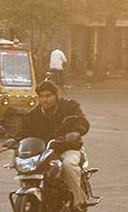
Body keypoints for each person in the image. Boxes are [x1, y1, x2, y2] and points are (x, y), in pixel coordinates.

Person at [22, 81, 91, 210]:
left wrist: (75, 132)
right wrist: (16, 140)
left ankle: (78, 203)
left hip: (68, 147)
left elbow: (82, 121)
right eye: (41, 96)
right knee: (28, 167)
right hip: (45, 152)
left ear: (55, 96)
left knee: (68, 165)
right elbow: (25, 132)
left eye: (48, 96)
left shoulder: (69, 107)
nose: (44, 100)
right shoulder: (34, 114)